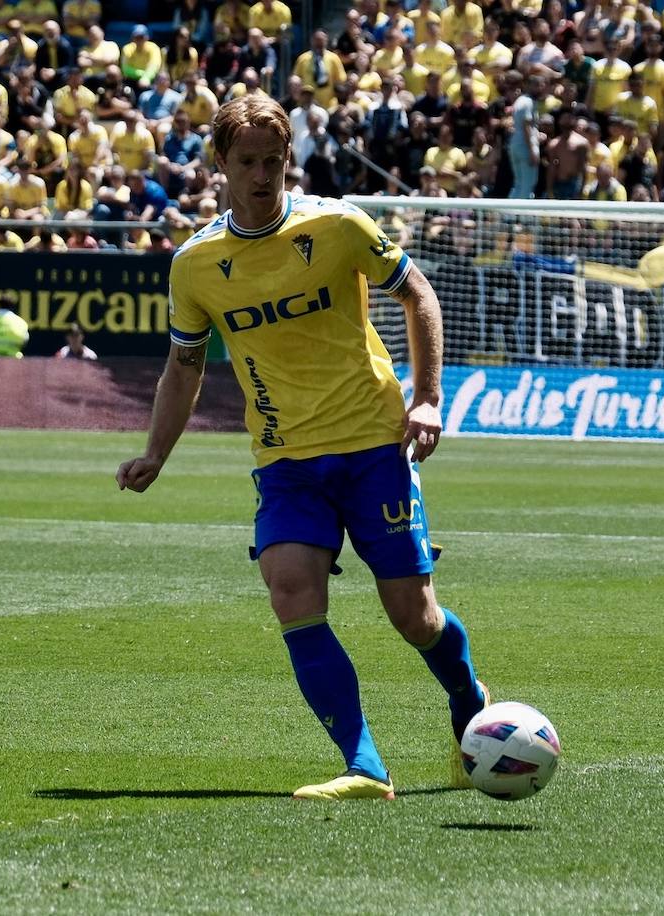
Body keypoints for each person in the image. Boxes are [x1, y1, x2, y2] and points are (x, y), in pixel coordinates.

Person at [116, 95, 489, 801]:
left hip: (374, 444)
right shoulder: (196, 264)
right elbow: (184, 365)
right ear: (219, 165)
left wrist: (428, 396)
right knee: (291, 593)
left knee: (414, 616)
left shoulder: (339, 225)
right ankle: (364, 767)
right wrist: (156, 454)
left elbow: (420, 297)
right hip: (286, 460)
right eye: (248, 162)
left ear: (290, 160)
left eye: (274, 161)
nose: (263, 175)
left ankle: (468, 700)